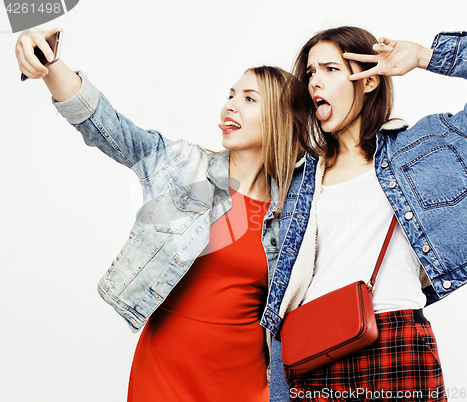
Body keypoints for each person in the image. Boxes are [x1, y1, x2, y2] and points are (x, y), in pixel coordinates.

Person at [15, 27, 303, 401]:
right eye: (230, 95)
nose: (230, 106)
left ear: (281, 117)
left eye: (249, 99)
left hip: (245, 383)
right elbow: (110, 129)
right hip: (165, 371)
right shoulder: (185, 169)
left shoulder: (296, 206)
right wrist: (50, 65)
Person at [259, 26, 467, 401]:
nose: (315, 82)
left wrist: (423, 57)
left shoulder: (427, 147)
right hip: (312, 352)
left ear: (369, 81)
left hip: (396, 341)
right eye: (310, 73)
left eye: (330, 69)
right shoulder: (296, 181)